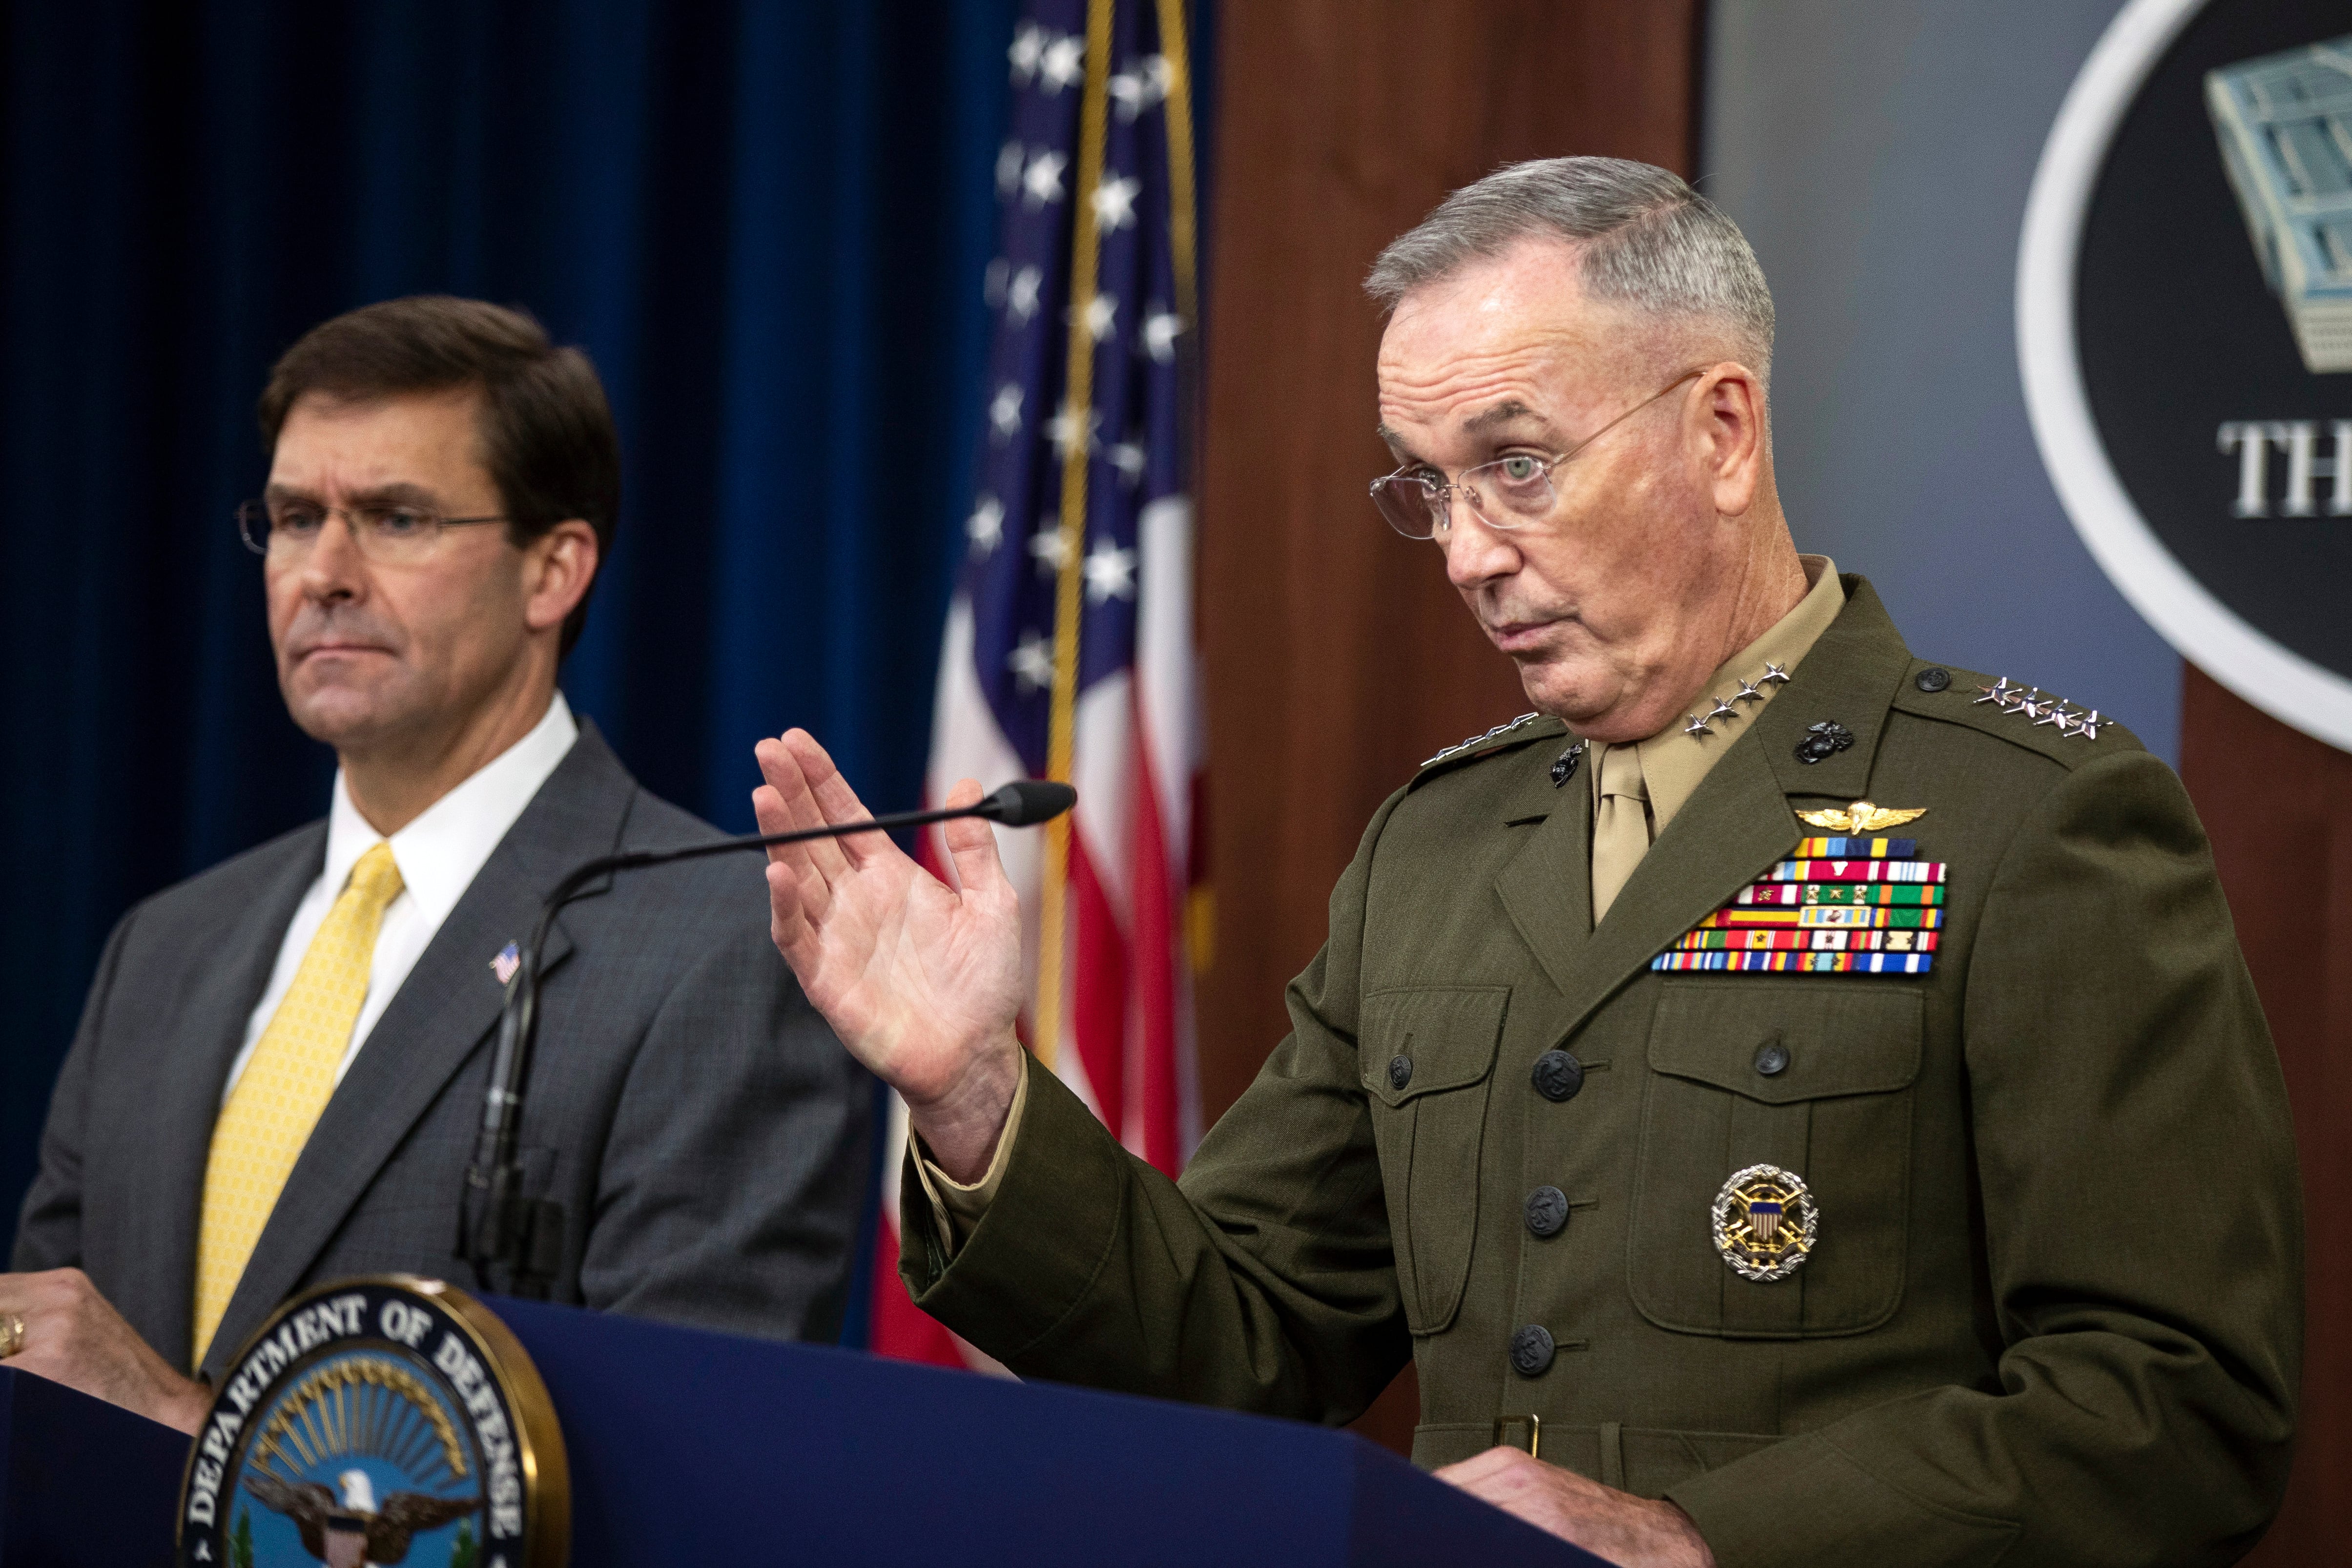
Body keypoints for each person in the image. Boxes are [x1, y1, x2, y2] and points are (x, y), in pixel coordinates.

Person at [747, 159, 2302, 1567]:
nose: (1468, 550)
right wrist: (973, 1096)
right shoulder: (1435, 844)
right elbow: (1238, 1340)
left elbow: (2173, 1403)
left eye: (1517, 463)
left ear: (1720, 429)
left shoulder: (2029, 815)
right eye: (1428, 482)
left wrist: (1698, 1538)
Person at [4, 296, 869, 1432]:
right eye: (295, 516)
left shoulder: (718, 947)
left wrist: (183, 1431)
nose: (324, 570)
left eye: (395, 518)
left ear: (553, 570)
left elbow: (684, 1478)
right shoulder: (163, 948)